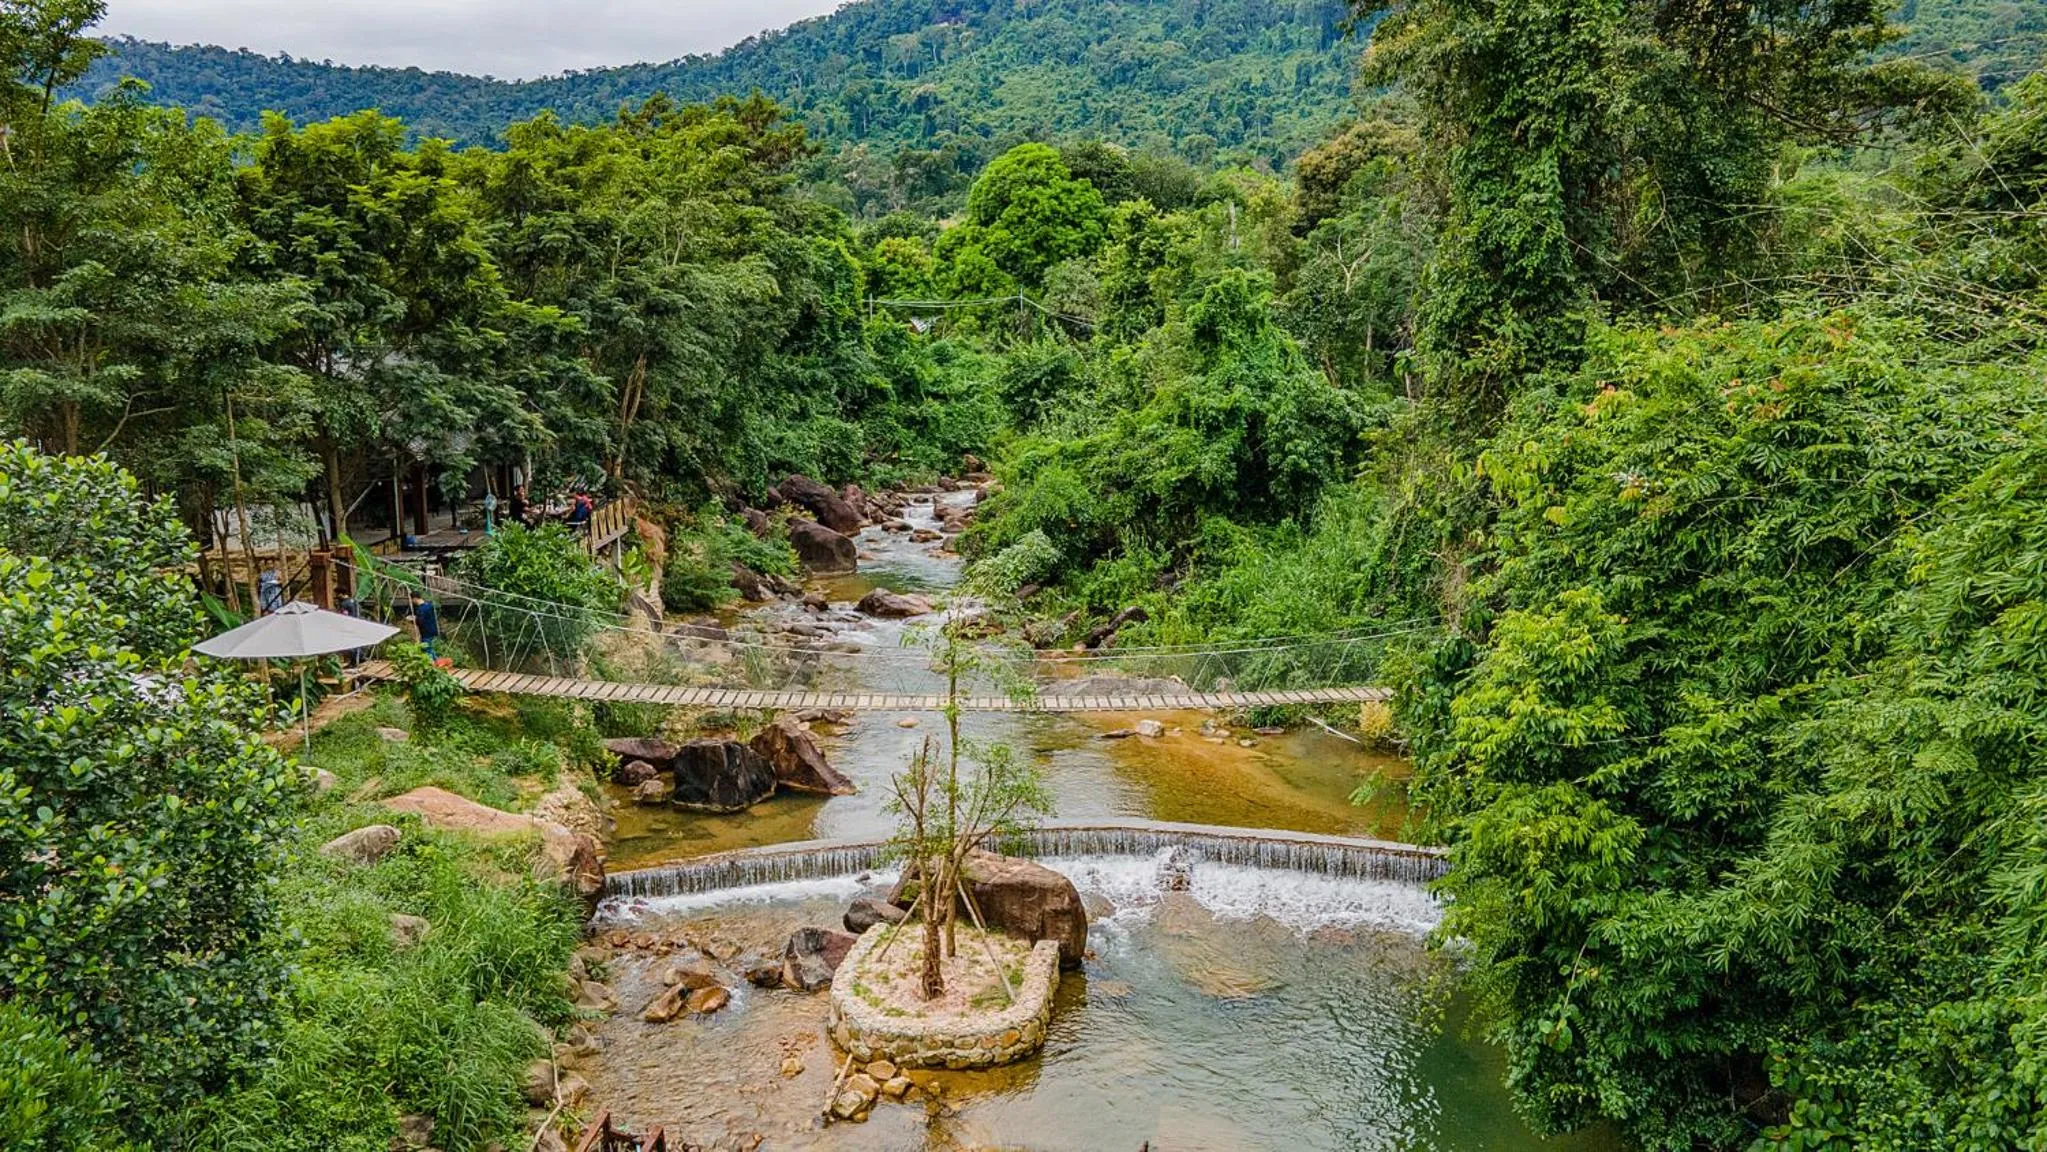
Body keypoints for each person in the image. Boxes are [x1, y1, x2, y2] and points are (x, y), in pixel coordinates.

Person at [408, 590, 441, 658]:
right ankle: (437, 662)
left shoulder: (421, 609)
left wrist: (412, 619)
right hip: (433, 630)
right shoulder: (428, 605)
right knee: (431, 649)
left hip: (426, 632)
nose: (411, 601)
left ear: (415, 598)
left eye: (412, 599)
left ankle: (432, 664)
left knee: (427, 650)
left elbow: (421, 621)